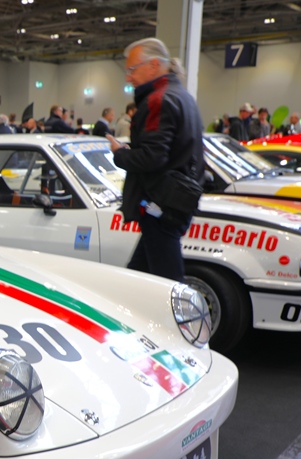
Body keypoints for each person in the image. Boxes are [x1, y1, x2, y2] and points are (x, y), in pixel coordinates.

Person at [109, 38, 204, 283]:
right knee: (138, 276)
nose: (128, 77)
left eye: (132, 70)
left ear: (153, 65)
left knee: (167, 283)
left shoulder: (158, 100)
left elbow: (153, 157)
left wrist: (120, 153)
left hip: (160, 204)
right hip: (175, 201)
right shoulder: (183, 96)